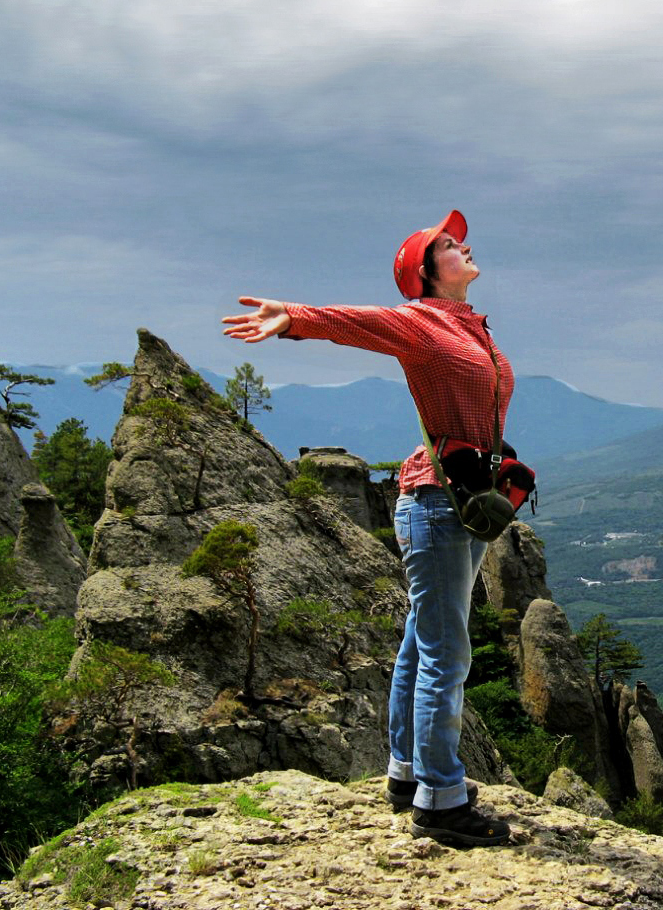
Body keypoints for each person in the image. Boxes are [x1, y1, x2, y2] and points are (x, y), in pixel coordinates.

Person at [221, 209, 512, 847]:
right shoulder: (420, 319)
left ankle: (407, 772)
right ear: (425, 273)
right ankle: (442, 800)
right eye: (447, 245)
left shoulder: (470, 326)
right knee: (446, 652)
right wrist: (292, 317)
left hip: (456, 499)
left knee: (420, 642)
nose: (461, 245)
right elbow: (359, 321)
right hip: (435, 503)